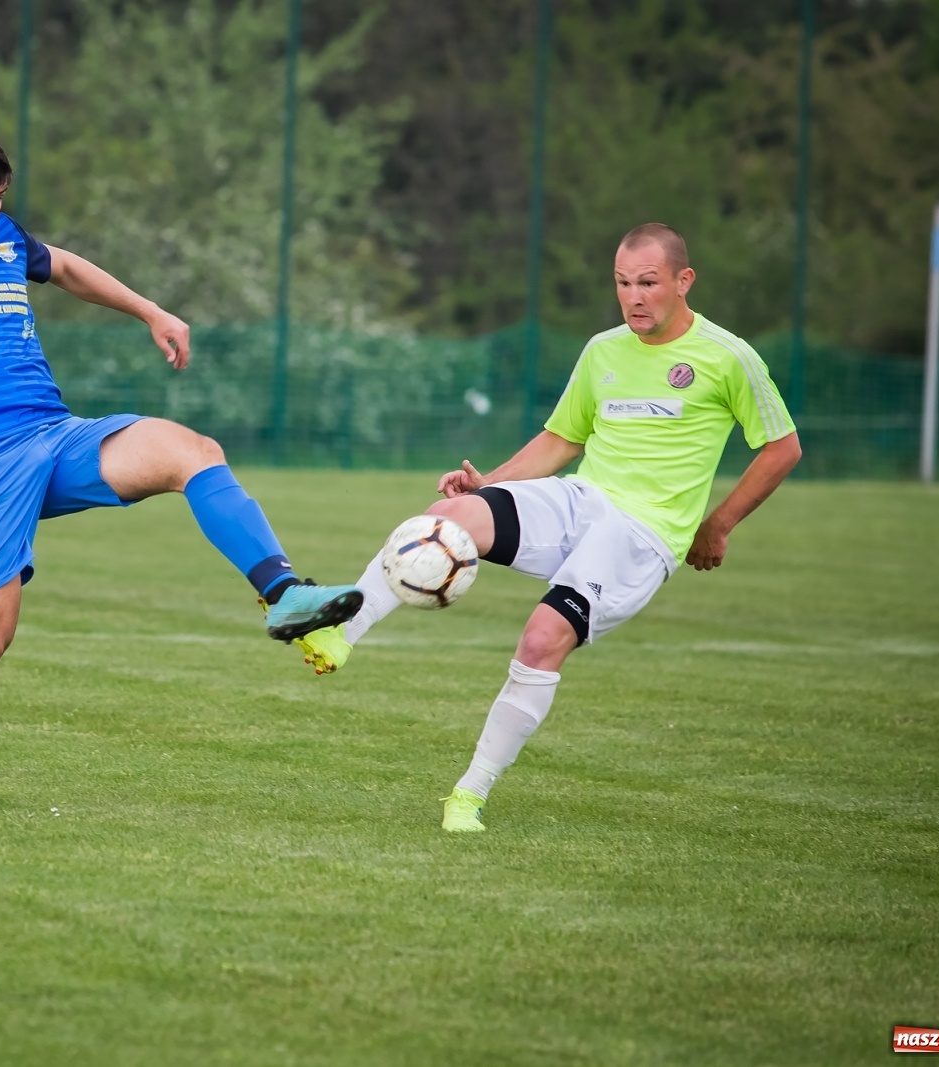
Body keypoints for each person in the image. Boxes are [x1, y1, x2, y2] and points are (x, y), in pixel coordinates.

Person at [0, 128, 362, 822]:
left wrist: (150, 310)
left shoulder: (6, 239)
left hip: (55, 436)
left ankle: (284, 592)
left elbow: (69, 267)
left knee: (192, 450)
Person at [293, 223, 802, 832]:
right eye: (622, 283)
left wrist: (718, 525)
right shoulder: (603, 350)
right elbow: (562, 439)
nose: (634, 297)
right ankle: (339, 631)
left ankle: (469, 795)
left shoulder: (728, 357)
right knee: (449, 516)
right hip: (583, 500)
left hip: (641, 538)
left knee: (541, 639)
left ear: (683, 281)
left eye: (648, 283)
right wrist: (491, 487)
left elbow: (782, 447)